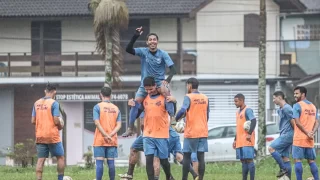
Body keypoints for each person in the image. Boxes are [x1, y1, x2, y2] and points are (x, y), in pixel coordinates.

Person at [119, 100, 198, 180]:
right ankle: (195, 175)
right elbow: (172, 112)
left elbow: (142, 122)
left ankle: (132, 174)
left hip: (155, 134)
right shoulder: (163, 100)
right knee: (177, 156)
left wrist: (145, 135)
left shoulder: (146, 103)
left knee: (156, 157)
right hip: (172, 133)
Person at [123, 26, 177, 137]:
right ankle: (130, 128)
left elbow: (173, 69)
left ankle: (172, 118)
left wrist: (168, 80)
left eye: (154, 39)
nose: (152, 41)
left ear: (157, 42)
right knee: (134, 103)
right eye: (150, 39)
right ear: (147, 42)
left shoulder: (163, 54)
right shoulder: (143, 52)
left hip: (159, 83)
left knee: (167, 94)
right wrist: (135, 36)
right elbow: (128, 49)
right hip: (145, 84)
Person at [175, 77, 209, 180]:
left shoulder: (188, 97)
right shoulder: (205, 97)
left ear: (189, 85)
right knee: (201, 157)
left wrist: (177, 118)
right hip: (203, 132)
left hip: (191, 132)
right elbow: (207, 115)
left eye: (187, 86)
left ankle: (184, 178)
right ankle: (201, 178)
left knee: (186, 157)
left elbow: (183, 109)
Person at [31, 83, 65, 180]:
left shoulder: (36, 103)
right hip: (52, 136)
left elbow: (33, 121)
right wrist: (60, 125)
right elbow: (56, 120)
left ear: (45, 91)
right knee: (60, 157)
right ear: (55, 91)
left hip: (40, 135)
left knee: (41, 160)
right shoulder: (54, 103)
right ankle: (60, 178)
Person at [92, 87, 122, 180]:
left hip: (100, 139)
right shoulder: (116, 108)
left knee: (99, 162)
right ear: (110, 95)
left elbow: (97, 122)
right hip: (112, 140)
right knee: (111, 163)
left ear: (101, 94)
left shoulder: (97, 107)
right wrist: (110, 135)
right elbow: (119, 125)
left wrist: (105, 135)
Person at [292, 86, 319, 180]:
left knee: (297, 160)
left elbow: (297, 122)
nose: (294, 95)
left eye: (297, 93)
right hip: (309, 139)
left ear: (303, 94)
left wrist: (307, 133)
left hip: (299, 138)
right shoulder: (313, 106)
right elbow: (317, 122)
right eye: (294, 93)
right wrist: (312, 133)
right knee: (311, 161)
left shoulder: (297, 105)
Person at [269, 91, 294, 178]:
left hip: (288, 134)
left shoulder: (287, 108)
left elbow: (293, 121)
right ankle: (288, 178)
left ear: (280, 98)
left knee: (271, 148)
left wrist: (295, 134)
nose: (273, 100)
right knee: (285, 158)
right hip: (284, 134)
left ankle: (283, 168)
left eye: (274, 98)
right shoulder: (281, 109)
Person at [233, 93, 256, 180]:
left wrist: (249, 134)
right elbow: (238, 127)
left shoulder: (248, 110)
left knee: (249, 160)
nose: (235, 103)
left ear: (242, 101)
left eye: (236, 101)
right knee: (243, 161)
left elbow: (253, 121)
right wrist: (235, 139)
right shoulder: (238, 112)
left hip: (247, 140)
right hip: (239, 141)